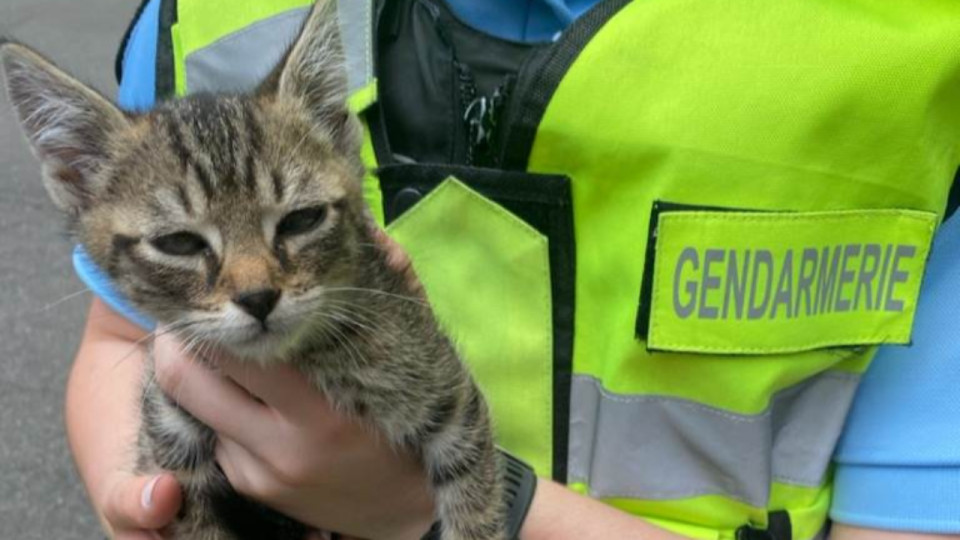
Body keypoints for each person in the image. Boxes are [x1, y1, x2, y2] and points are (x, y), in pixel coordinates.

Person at [62, 0, 960, 539]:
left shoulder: (904, 52)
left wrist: (425, 510)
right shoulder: (211, 14)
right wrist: (143, 496)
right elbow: (117, 329)